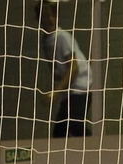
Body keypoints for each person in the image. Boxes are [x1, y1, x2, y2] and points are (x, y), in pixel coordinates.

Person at [36, 1, 92, 138]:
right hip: (69, 91)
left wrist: (56, 92)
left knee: (74, 123)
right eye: (45, 16)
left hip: (80, 87)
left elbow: (74, 68)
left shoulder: (62, 37)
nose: (50, 19)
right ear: (39, 19)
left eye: (53, 15)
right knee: (60, 132)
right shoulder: (46, 40)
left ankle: (95, 144)